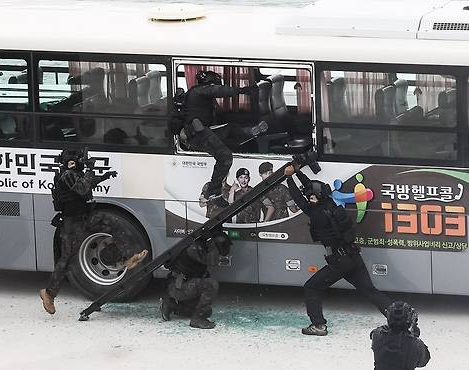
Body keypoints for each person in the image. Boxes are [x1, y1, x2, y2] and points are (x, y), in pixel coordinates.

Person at [286, 164, 392, 336]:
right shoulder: (331, 204)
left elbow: (299, 200)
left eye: (311, 197)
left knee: (311, 288)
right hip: (352, 256)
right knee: (370, 290)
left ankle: (318, 325)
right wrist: (298, 172)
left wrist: (289, 178)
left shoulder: (317, 215)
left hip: (339, 261)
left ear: (316, 198)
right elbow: (311, 188)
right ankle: (399, 318)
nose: (309, 199)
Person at [39, 149, 147, 315]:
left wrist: (104, 176)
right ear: (71, 161)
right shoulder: (66, 174)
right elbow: (82, 188)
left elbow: (86, 184)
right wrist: (90, 170)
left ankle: (128, 258)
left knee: (113, 224)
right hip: (71, 223)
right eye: (80, 159)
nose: (83, 161)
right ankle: (49, 293)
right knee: (67, 260)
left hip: (85, 216)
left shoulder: (74, 174)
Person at [182, 70, 265, 208]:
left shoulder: (202, 96)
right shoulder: (197, 92)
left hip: (204, 130)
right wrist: (242, 90)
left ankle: (251, 132)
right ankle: (212, 194)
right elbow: (218, 91)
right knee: (225, 157)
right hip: (196, 136)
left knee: (230, 128)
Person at [159, 228, 232, 329]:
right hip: (179, 286)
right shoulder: (194, 247)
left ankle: (171, 305)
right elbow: (212, 261)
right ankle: (197, 319)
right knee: (211, 285)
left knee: (207, 311)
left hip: (185, 284)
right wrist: (211, 242)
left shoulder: (201, 246)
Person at [371, 301, 430, 370]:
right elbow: (423, 362)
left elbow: (379, 331)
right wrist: (413, 334)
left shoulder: (377, 335)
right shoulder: (416, 344)